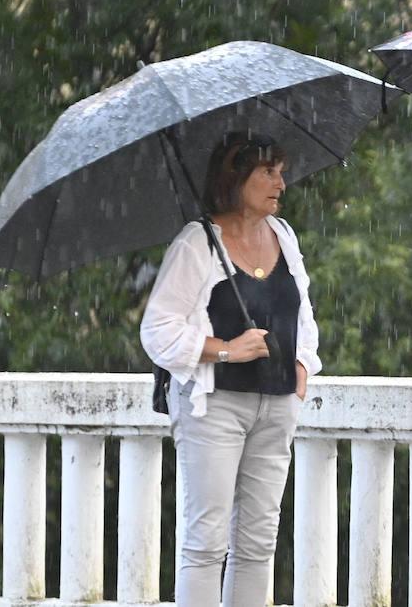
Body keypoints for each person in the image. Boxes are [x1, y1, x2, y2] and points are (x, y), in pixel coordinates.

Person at [140, 132, 322, 607]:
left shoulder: (284, 235)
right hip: (214, 408)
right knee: (205, 543)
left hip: (277, 405)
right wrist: (224, 350)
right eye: (268, 171)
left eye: (281, 171)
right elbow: (157, 331)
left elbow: (302, 313)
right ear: (235, 177)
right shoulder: (198, 242)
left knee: (259, 544)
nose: (280, 182)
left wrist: (302, 367)